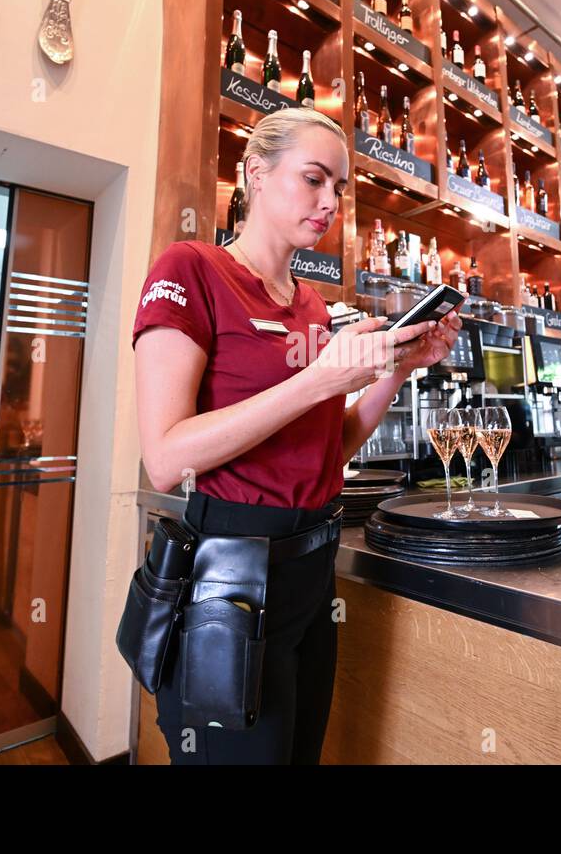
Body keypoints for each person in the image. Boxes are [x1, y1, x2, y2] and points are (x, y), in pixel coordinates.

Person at [131, 107, 462, 764]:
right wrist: (316, 380)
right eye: (313, 179)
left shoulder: (311, 305)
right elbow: (164, 458)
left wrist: (396, 370)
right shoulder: (190, 269)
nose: (330, 201)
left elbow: (325, 452)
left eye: (338, 187)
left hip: (312, 577)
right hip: (229, 581)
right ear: (256, 171)